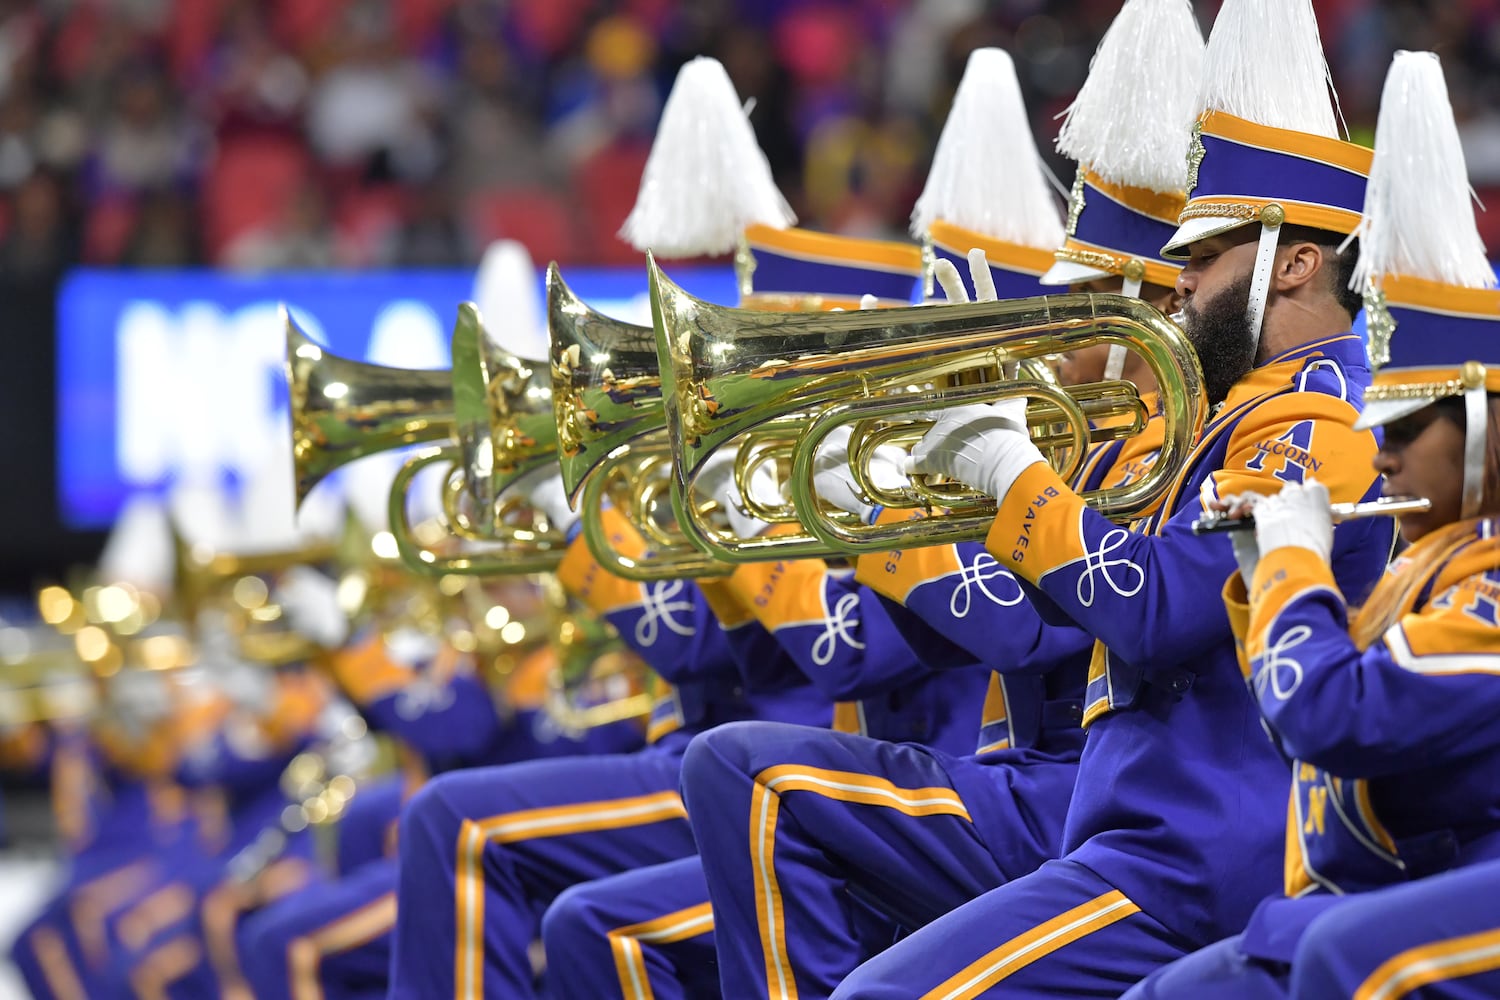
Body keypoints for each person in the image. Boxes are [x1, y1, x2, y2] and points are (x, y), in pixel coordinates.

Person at [1125, 49, 1500, 1000]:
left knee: (1348, 962)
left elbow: (1329, 715)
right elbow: (1298, 709)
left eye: (1407, 432)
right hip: (1342, 886)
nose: (1380, 457)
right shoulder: (1441, 563)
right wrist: (1264, 567)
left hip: (1424, 892)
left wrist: (1291, 557)